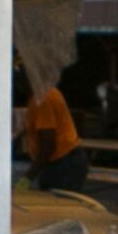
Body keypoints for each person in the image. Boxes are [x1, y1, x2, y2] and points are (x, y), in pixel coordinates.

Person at [13, 62, 87, 191]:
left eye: (20, 78)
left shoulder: (42, 99)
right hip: (64, 161)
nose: (17, 84)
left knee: (58, 206)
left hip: (63, 164)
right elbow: (39, 125)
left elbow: (49, 146)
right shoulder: (44, 93)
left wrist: (28, 178)